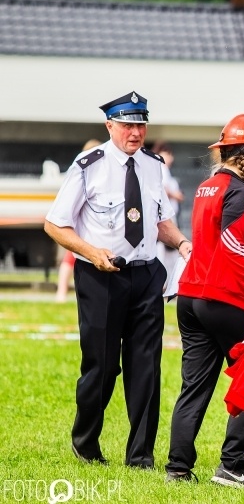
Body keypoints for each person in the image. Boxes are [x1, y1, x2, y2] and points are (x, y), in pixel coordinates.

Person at [44, 91, 191, 468]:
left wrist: (182, 242)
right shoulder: (89, 163)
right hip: (100, 277)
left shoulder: (154, 166)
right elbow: (55, 224)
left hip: (145, 276)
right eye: (127, 124)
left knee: (147, 367)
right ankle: (86, 441)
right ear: (110, 125)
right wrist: (92, 253)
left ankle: (140, 456)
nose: (135, 132)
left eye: (140, 124)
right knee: (103, 365)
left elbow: (160, 222)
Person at [165, 114, 244, 487]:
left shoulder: (209, 186)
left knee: (194, 385)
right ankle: (233, 466)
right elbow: (232, 243)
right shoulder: (241, 193)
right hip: (225, 298)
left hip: (190, 294)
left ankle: (178, 468)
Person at [55, 139, 103, 303]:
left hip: (91, 223)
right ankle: (61, 291)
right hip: (81, 223)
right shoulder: (82, 169)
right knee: (71, 256)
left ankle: (63, 292)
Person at [151, 141, 184, 280]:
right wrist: (175, 195)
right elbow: (162, 188)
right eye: (167, 154)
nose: (170, 158)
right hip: (162, 216)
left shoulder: (167, 171)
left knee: (171, 253)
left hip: (171, 215)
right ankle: (163, 282)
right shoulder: (160, 168)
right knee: (162, 252)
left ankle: (170, 281)